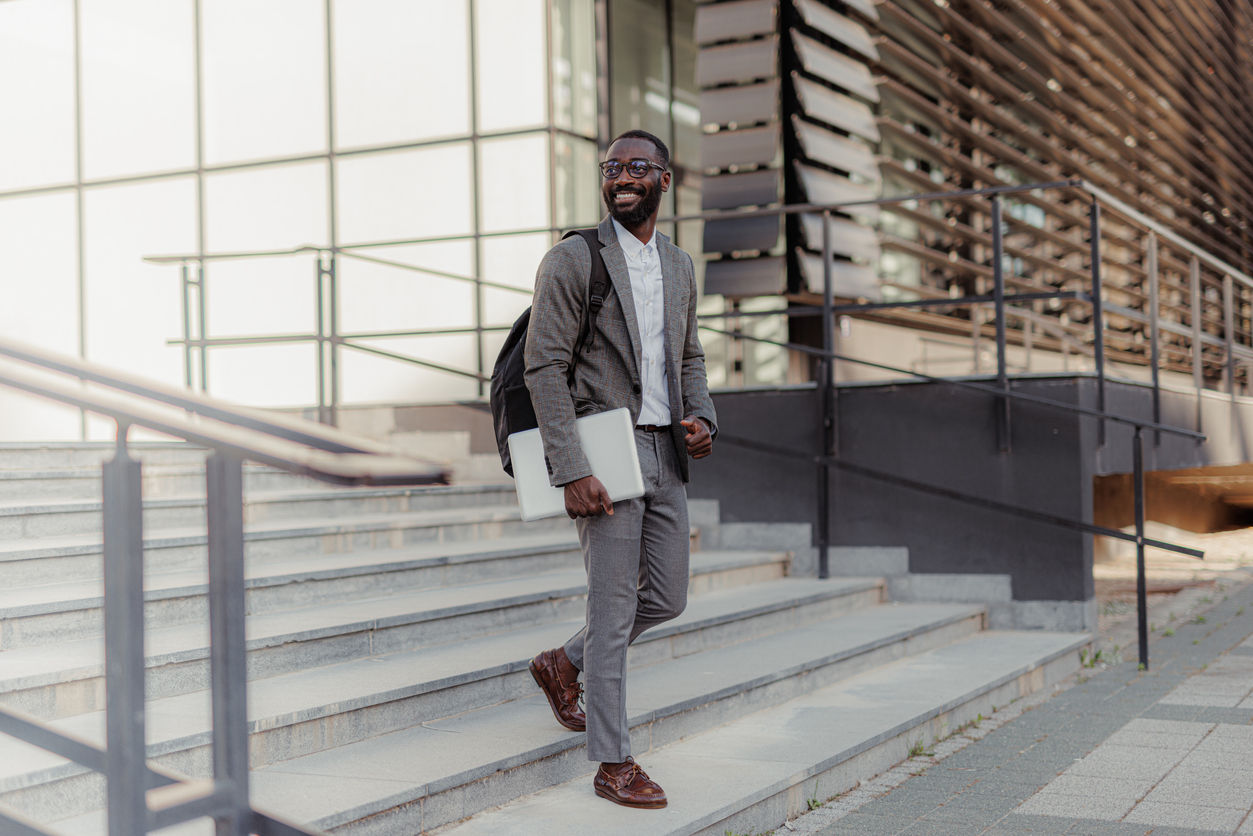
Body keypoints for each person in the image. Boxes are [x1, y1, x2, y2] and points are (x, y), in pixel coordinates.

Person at [524, 129, 717, 809]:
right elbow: (542, 366)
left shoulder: (679, 265)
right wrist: (569, 467)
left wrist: (701, 415)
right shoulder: (573, 259)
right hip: (603, 450)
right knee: (610, 612)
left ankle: (561, 663)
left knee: (666, 597)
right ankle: (613, 762)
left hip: (665, 450)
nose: (622, 177)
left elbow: (688, 355)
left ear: (665, 179)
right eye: (611, 168)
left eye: (638, 167)